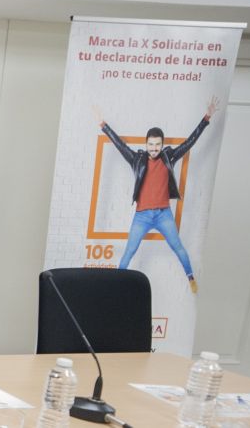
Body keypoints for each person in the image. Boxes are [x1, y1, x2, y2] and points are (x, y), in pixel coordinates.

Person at [93, 96, 218, 294]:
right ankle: (114, 284)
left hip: (163, 214)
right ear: (146, 144)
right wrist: (103, 125)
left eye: (157, 145)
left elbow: (190, 142)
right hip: (142, 216)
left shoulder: (169, 157)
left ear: (162, 144)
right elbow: (119, 145)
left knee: (178, 248)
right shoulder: (136, 159)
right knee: (129, 251)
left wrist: (206, 118)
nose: (154, 149)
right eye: (150, 145)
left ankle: (190, 277)